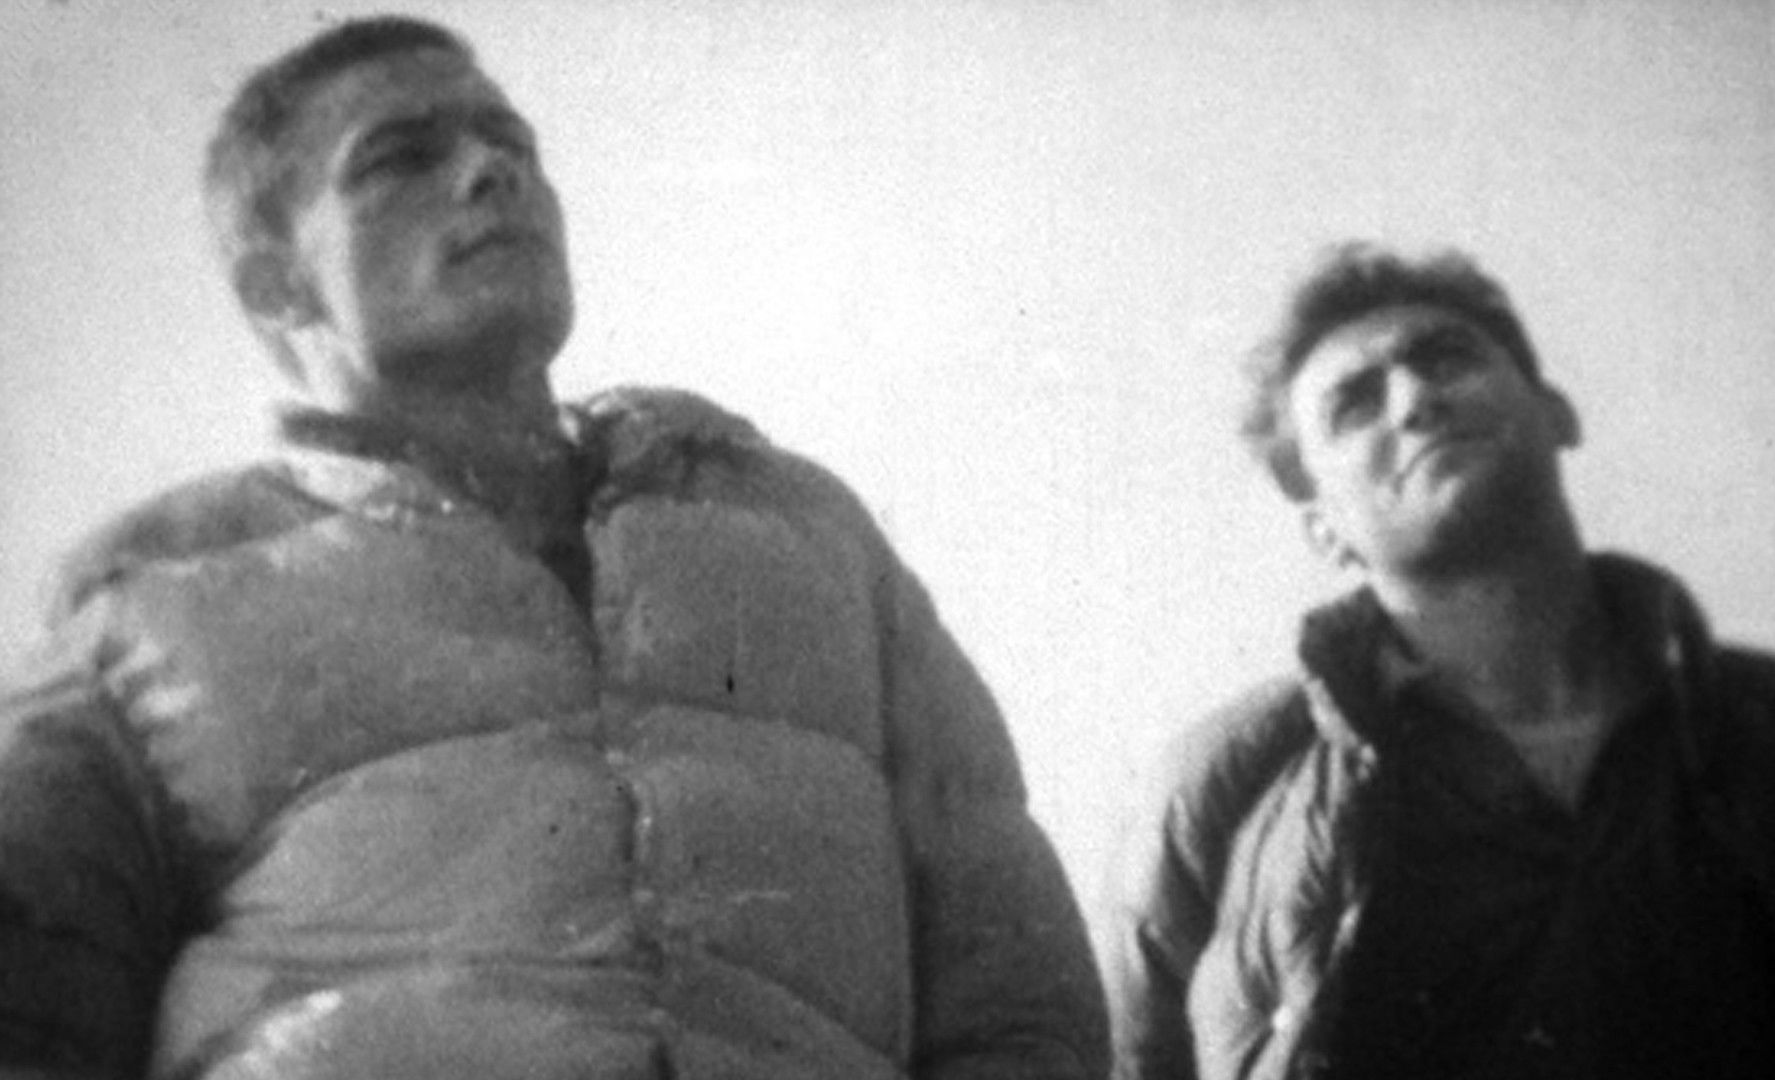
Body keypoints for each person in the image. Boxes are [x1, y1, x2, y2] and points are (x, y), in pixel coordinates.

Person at [0, 17, 1107, 1079]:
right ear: (276, 284)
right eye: (400, 158)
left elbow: (1016, 991)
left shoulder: (806, 537)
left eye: (511, 143)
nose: (491, 171)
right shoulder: (149, 600)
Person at [1102, 241, 1775, 1080]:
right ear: (1321, 525)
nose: (1414, 400)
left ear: (1557, 411)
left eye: (1445, 358)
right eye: (1355, 403)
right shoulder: (1222, 794)